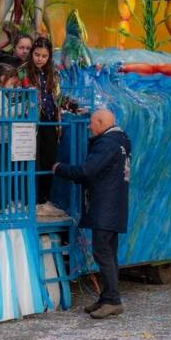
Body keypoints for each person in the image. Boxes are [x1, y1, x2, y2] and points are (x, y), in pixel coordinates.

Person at [53, 108, 131, 319]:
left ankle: (112, 300)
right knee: (109, 254)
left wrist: (59, 168)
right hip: (114, 206)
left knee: (103, 254)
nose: (89, 127)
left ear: (101, 123)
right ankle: (107, 298)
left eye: (92, 123)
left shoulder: (107, 144)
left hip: (105, 207)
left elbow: (87, 171)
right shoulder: (121, 141)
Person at [24, 37, 63, 214]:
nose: (40, 59)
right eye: (37, 54)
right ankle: (28, 200)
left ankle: (44, 199)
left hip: (50, 120)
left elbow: (59, 99)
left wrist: (69, 108)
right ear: (32, 54)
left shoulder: (54, 74)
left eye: (44, 56)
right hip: (30, 122)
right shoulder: (23, 71)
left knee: (49, 159)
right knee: (31, 159)